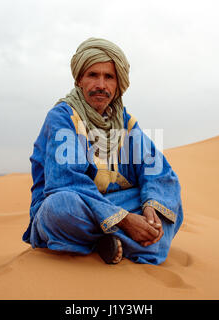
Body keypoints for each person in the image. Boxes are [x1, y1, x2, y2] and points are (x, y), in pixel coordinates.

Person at [22, 38, 184, 265]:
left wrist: (149, 208)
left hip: (115, 204)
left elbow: (157, 170)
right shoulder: (63, 117)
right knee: (60, 208)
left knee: (165, 205)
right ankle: (116, 241)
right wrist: (126, 220)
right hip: (78, 205)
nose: (101, 84)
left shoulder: (126, 123)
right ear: (79, 80)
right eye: (93, 75)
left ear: (118, 84)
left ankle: (99, 242)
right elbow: (65, 181)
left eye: (109, 77)